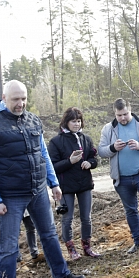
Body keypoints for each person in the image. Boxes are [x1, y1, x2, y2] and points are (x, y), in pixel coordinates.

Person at [0, 80, 85, 278]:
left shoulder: (32, 120)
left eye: (24, 98)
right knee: (8, 248)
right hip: (10, 195)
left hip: (37, 191)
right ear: (4, 98)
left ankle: (61, 274)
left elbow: (43, 154)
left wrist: (54, 182)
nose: (21, 103)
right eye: (15, 99)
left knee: (48, 234)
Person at [98, 98, 139, 253]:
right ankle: (138, 240)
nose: (122, 118)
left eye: (125, 114)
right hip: (122, 177)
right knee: (130, 209)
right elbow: (101, 151)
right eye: (119, 115)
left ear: (130, 110)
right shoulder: (108, 129)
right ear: (114, 113)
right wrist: (113, 148)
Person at [48, 107, 99, 260]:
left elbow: (94, 158)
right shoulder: (56, 141)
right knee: (67, 218)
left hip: (84, 183)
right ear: (66, 122)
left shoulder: (86, 139)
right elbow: (53, 166)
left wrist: (90, 163)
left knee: (86, 217)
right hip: (65, 186)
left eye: (78, 121)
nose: (76, 124)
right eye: (73, 121)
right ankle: (71, 249)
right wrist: (70, 161)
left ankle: (87, 246)